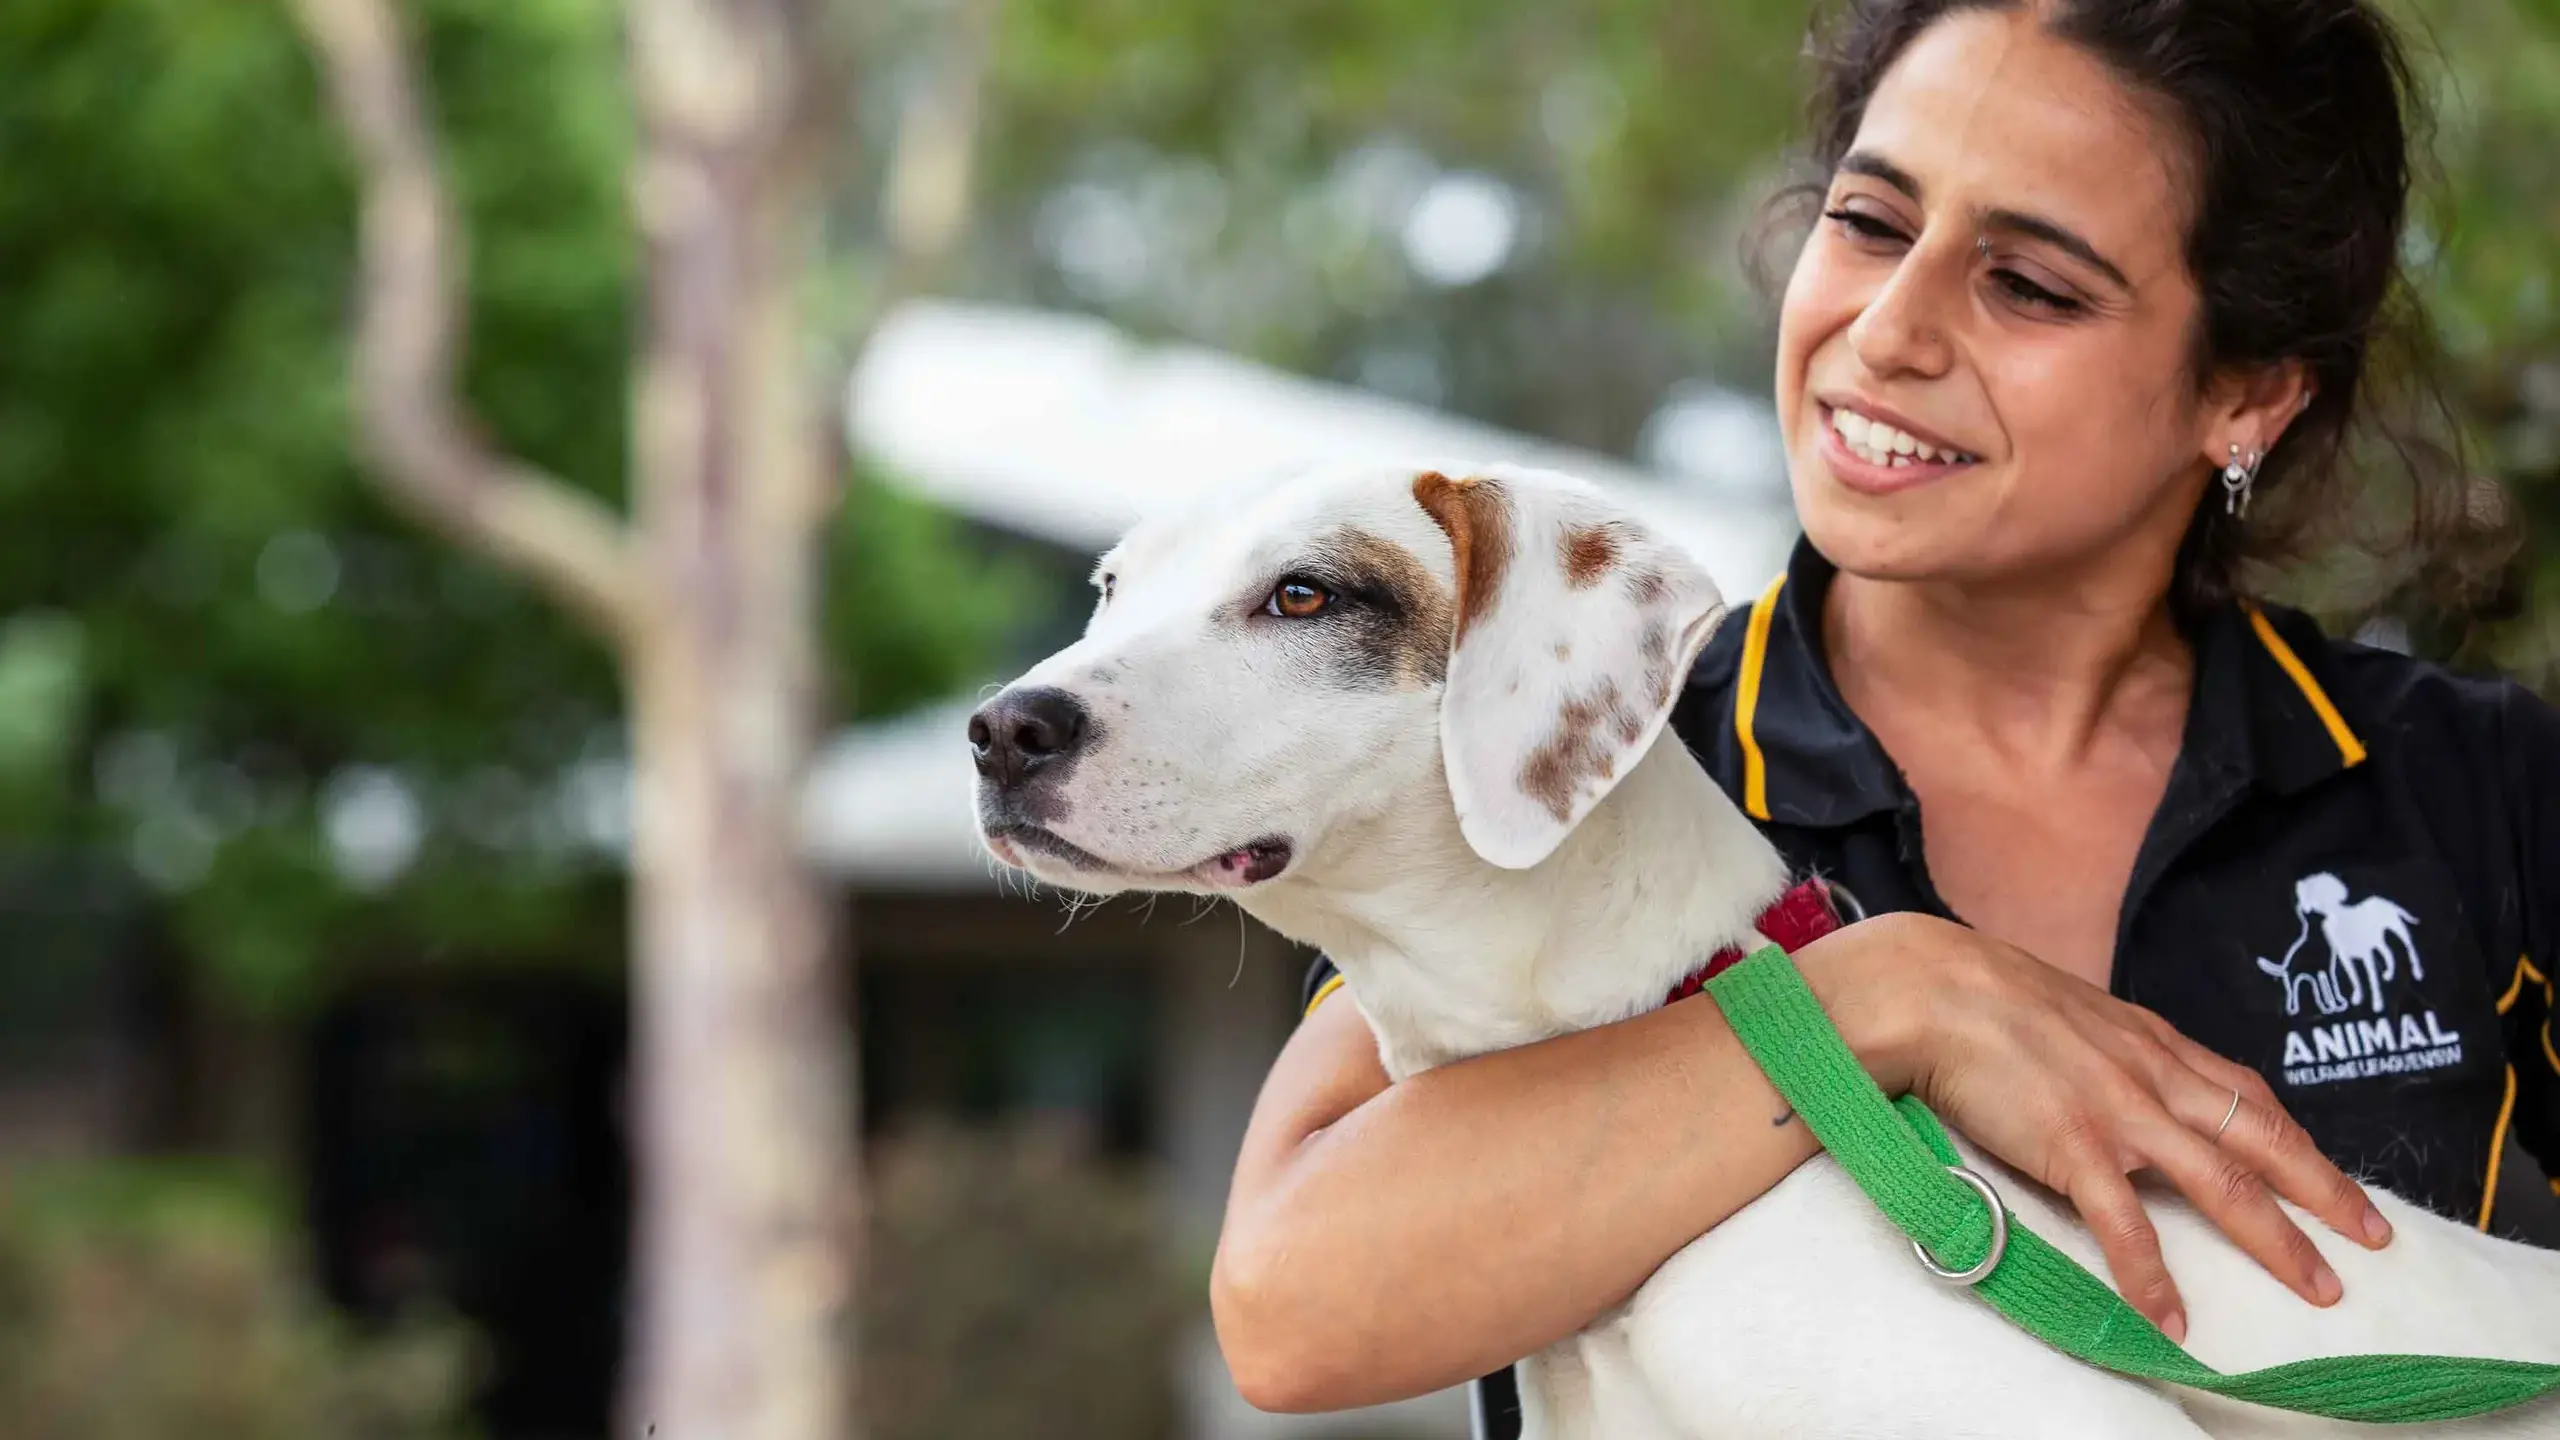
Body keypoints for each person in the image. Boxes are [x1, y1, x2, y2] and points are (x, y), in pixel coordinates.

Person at [1208, 0, 2560, 1427]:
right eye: (1868, 221)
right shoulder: (1601, 748)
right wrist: (1875, 1002)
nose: (1892, 326)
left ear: (2247, 396)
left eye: (2030, 285)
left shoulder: (2472, 788)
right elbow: (1296, 1309)